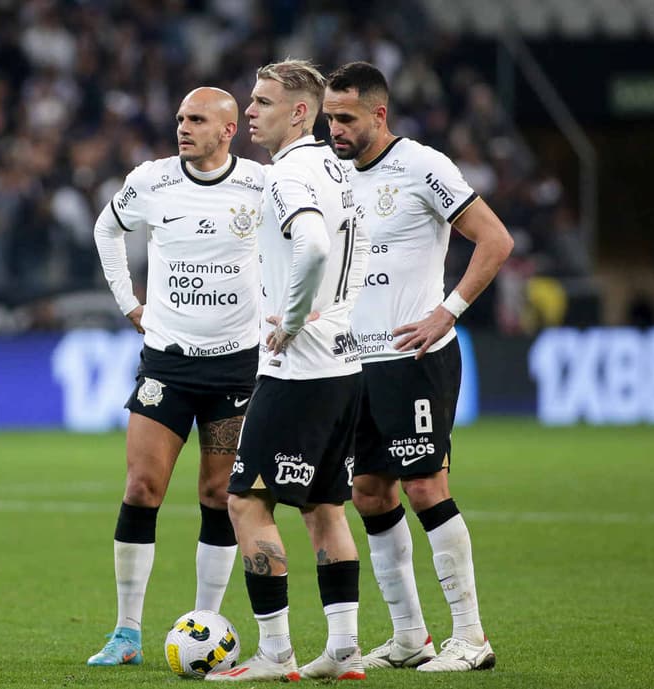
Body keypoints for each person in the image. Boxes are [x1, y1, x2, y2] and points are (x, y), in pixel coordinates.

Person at [323, 61, 514, 672]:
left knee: (426, 486)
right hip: (355, 363)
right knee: (368, 493)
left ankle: (472, 638)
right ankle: (410, 636)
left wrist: (448, 311)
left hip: (415, 357)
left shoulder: (423, 166)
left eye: (346, 118)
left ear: (379, 114)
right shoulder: (327, 177)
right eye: (329, 118)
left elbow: (495, 240)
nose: (335, 129)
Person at [87, 87, 266, 667]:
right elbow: (106, 230)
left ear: (228, 129)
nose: (183, 128)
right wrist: (128, 303)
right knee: (142, 487)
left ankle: (204, 623)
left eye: (196, 120)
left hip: (237, 365)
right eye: (180, 118)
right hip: (167, 360)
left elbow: (304, 245)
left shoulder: (261, 188)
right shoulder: (153, 181)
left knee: (218, 495)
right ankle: (126, 632)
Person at [205, 59, 369, 683]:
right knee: (326, 508)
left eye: (263, 102)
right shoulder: (337, 168)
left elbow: (316, 246)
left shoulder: (288, 174)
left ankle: (275, 654)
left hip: (298, 369)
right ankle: (345, 650)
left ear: (300, 112)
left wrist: (294, 318)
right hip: (344, 366)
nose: (250, 111)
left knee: (244, 502)